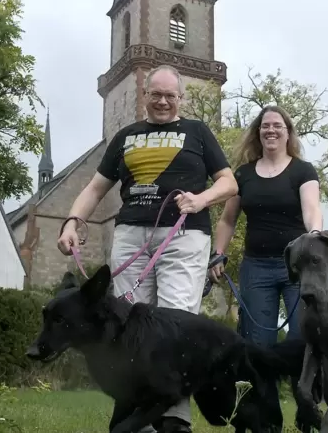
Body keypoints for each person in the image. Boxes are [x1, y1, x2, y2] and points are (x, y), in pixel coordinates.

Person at [57, 64, 237, 433]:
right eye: (156, 94)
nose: (163, 101)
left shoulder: (197, 132)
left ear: (180, 98)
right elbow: (94, 189)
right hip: (131, 235)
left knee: (174, 323)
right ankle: (136, 415)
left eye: (170, 96)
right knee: (129, 326)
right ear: (145, 95)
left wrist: (201, 200)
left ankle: (174, 419)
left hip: (183, 235)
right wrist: (72, 222)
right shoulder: (125, 136)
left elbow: (229, 182)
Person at [211, 104, 323, 345]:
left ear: (288, 132)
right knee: (257, 341)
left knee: (301, 337)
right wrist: (218, 253)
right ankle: (260, 385)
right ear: (258, 132)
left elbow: (312, 209)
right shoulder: (243, 174)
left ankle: (302, 384)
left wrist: (315, 236)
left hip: (297, 266)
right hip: (257, 267)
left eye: (277, 126)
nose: (270, 130)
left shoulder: (303, 171)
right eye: (265, 126)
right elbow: (228, 219)